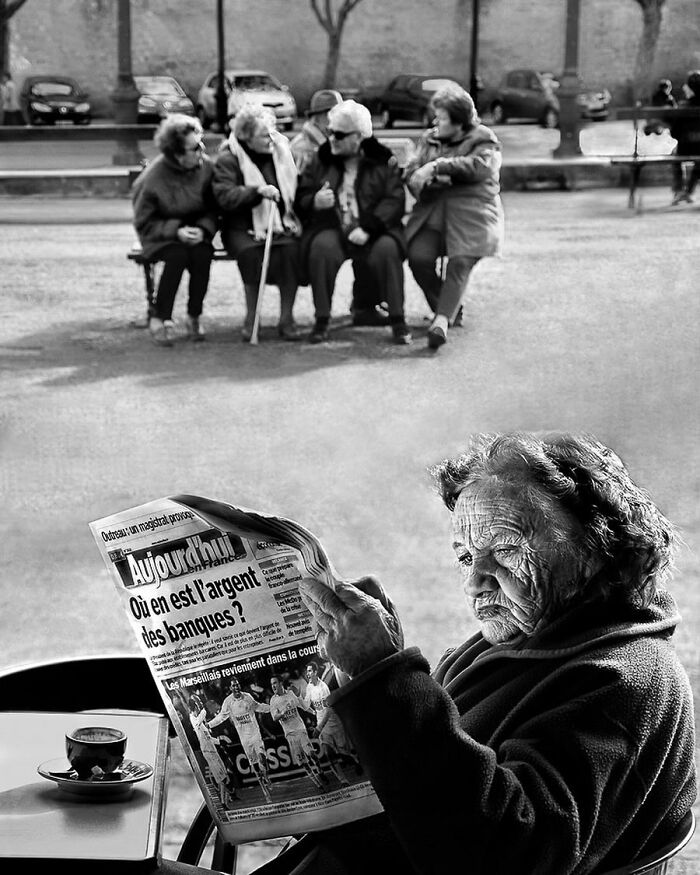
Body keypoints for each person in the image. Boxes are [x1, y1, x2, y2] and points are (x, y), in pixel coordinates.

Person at [260, 432, 697, 875]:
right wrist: (355, 675)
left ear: (598, 548)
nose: (474, 582)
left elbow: (507, 855)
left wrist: (383, 677)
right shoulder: (523, 640)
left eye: (505, 550)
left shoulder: (623, 678)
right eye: (467, 558)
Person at [295, 99, 412, 345]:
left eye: (338, 134)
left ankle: (398, 319)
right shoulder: (321, 159)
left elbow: (394, 199)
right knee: (322, 249)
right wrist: (314, 201)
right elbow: (302, 193)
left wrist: (369, 227)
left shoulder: (383, 160)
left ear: (358, 137)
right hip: (333, 226)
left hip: (374, 228)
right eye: (329, 133)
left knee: (387, 250)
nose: (332, 139)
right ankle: (322, 319)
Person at [404, 84, 504, 350]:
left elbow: (479, 168)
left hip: (473, 213)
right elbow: (413, 169)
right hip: (433, 212)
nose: (436, 123)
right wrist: (423, 177)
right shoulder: (430, 138)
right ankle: (447, 307)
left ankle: (441, 321)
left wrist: (437, 167)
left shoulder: (484, 139)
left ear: (460, 122)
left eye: (443, 118)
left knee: (459, 262)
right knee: (418, 257)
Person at [212, 104, 302, 342]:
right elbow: (225, 197)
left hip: (280, 223)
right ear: (246, 137)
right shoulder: (229, 158)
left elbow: (295, 189)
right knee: (253, 253)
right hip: (241, 226)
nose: (271, 139)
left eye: (272, 132)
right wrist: (257, 192)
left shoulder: (280, 153)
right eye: (264, 135)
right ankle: (252, 318)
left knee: (291, 251)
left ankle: (287, 317)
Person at [131, 114, 217, 346]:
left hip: (195, 228)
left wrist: (203, 229)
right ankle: (161, 317)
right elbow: (143, 223)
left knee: (202, 254)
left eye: (202, 144)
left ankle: (194, 316)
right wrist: (176, 231)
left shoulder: (206, 168)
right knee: (177, 256)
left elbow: (214, 208)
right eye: (194, 148)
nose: (201, 151)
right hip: (160, 234)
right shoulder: (152, 179)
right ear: (178, 155)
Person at [207, 677, 274, 800]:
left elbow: (258, 706)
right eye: (233, 686)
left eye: (237, 685)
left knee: (262, 759)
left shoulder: (247, 697)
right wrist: (209, 724)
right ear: (230, 688)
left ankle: (267, 777)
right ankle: (265, 792)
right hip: (244, 739)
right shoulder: (228, 702)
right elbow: (221, 716)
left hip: (255, 735)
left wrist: (272, 708)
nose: (236, 687)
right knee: (255, 766)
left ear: (239, 686)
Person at [303, 660, 360, 784]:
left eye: (310, 671)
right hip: (322, 725)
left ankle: (355, 761)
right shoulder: (309, 687)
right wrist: (297, 701)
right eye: (306, 671)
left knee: (343, 753)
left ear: (315, 672)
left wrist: (319, 727)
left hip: (332, 722)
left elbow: (328, 709)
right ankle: (343, 779)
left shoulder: (323, 687)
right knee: (328, 753)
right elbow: (306, 704)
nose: (307, 674)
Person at [269, 674, 325, 790]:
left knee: (311, 753)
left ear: (280, 683)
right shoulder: (273, 700)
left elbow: (302, 705)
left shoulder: (290, 693)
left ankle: (320, 770)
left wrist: (313, 712)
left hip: (300, 729)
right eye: (272, 684)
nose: (273, 686)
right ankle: (318, 784)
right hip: (290, 734)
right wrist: (283, 712)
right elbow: (274, 717)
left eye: (275, 683)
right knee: (303, 762)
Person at [188, 693, 237, 806]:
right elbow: (198, 721)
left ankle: (225, 800)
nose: (198, 709)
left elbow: (208, 738)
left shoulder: (201, 724)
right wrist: (203, 711)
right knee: (221, 779)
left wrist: (219, 742)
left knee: (224, 777)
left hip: (213, 750)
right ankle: (223, 802)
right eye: (197, 706)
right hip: (208, 752)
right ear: (194, 708)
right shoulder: (194, 719)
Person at [290, 89, 343, 175]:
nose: (341, 120)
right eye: (336, 115)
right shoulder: (300, 148)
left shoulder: (333, 142)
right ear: (318, 117)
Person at [668, 70, 700, 205]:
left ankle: (679, 190)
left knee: (675, 155)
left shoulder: (682, 107)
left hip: (685, 147)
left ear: (691, 89)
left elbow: (675, 133)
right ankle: (688, 191)